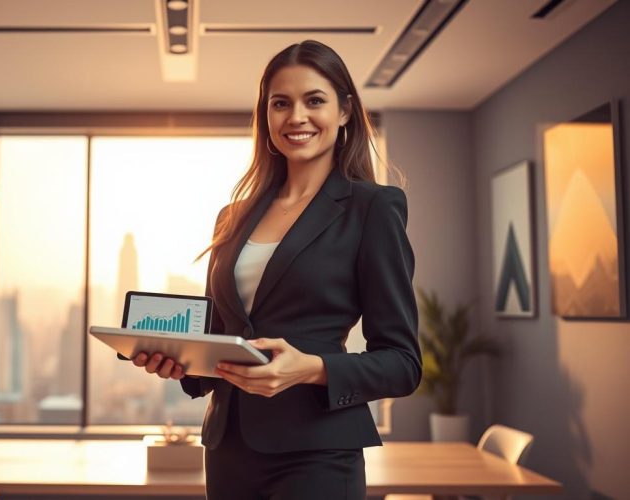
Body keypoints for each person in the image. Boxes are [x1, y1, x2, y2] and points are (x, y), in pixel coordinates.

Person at [130, 39, 421, 500]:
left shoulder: (372, 209)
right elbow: (222, 342)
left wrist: (310, 369)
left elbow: (403, 364)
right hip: (230, 450)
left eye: (315, 101)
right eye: (280, 103)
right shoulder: (233, 216)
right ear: (265, 116)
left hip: (318, 454)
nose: (296, 117)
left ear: (345, 111)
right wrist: (180, 362)